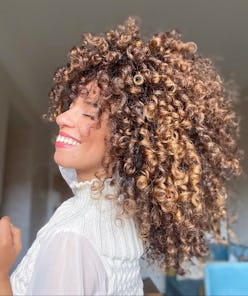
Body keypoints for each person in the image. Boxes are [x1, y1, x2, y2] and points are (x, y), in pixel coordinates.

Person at [0, 17, 243, 295]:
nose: (62, 116)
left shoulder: (71, 240)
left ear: (127, 140)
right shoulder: (119, 213)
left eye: (89, 112)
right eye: (70, 105)